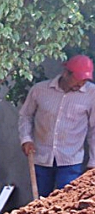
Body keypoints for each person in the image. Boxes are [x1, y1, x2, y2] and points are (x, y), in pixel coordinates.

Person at [18, 54, 95, 197]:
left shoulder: (92, 94)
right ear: (66, 73)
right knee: (40, 203)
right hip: (41, 158)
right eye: (78, 79)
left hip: (71, 161)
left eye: (85, 80)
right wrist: (26, 139)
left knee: (67, 204)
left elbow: (94, 130)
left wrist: (93, 161)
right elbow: (25, 115)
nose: (81, 84)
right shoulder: (39, 90)